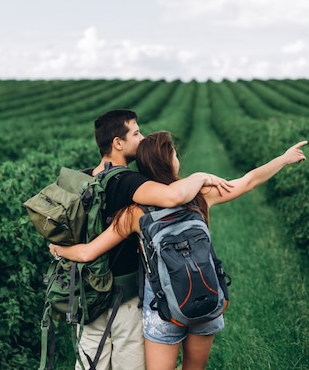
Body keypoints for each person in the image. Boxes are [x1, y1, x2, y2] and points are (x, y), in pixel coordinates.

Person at [50, 131, 308, 370]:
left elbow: (87, 253)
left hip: (163, 306)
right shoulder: (199, 195)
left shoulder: (134, 212)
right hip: (204, 294)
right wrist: (283, 159)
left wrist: (60, 249)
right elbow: (248, 181)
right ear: (170, 161)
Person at [74, 110, 232, 370]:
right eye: (136, 133)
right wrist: (200, 177)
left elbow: (86, 248)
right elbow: (172, 197)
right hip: (126, 297)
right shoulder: (131, 182)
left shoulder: (86, 179)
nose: (142, 137)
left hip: (90, 294)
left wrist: (59, 250)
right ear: (118, 143)